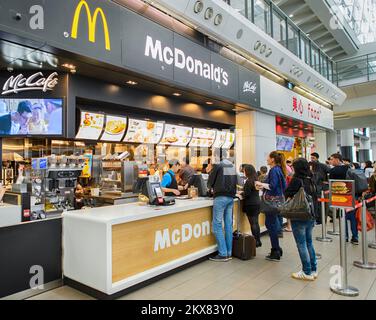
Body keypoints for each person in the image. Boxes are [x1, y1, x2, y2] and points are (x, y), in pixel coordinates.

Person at [285, 158, 318, 281]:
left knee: (301, 243)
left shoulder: (296, 180)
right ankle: (313, 269)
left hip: (299, 215)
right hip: (310, 214)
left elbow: (287, 193)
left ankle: (306, 271)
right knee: (309, 242)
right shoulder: (311, 179)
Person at [256, 151, 287, 261]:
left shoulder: (274, 170)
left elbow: (273, 186)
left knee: (271, 224)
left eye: (268, 157)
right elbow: (282, 186)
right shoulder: (279, 170)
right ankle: (277, 248)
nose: (267, 159)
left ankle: (276, 250)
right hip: (277, 200)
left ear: (273, 159)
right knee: (272, 223)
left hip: (271, 202)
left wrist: (261, 184)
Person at [207, 158, 238, 262]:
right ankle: (229, 252)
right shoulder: (233, 166)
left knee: (217, 225)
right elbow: (239, 181)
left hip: (220, 197)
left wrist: (209, 173)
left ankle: (223, 253)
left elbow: (210, 182)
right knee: (228, 225)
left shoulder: (218, 166)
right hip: (231, 197)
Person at [329, 153, 358, 245]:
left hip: (339, 196)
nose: (331, 161)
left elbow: (331, 184)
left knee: (343, 216)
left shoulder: (333, 170)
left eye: (332, 159)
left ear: (337, 160)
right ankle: (355, 237)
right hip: (351, 194)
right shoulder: (349, 167)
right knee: (352, 217)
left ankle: (345, 236)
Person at [241, 164, 262, 247]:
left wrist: (241, 193)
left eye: (244, 171)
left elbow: (247, 194)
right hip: (257, 203)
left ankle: (256, 241)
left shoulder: (249, 181)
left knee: (253, 223)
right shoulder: (256, 180)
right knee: (256, 223)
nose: (244, 172)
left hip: (250, 204)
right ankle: (258, 240)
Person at [310, 152, 330, 224]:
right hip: (314, 188)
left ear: (317, 158)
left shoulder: (323, 166)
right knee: (316, 204)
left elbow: (330, 173)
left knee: (323, 205)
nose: (312, 159)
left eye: (313, 158)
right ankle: (317, 219)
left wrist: (327, 181)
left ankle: (322, 219)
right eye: (311, 158)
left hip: (322, 188)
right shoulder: (310, 166)